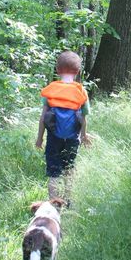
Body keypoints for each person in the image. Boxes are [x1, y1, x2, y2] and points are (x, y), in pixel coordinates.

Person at [35, 50, 91, 201]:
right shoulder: (81, 91)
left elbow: (43, 117)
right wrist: (84, 136)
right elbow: (83, 118)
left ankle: (53, 203)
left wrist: (39, 138)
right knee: (69, 169)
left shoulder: (51, 90)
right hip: (72, 138)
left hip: (53, 138)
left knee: (54, 173)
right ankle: (68, 200)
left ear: (57, 70)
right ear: (78, 71)